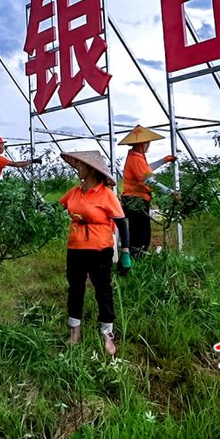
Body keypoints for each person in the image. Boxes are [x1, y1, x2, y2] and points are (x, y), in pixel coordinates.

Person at [59, 150, 130, 356]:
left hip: (100, 249)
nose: (78, 168)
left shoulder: (106, 195)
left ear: (91, 169)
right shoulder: (74, 192)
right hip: (75, 248)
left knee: (103, 290)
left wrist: (125, 252)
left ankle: (107, 333)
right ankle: (75, 330)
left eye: (81, 166)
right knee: (75, 289)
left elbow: (121, 223)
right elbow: (56, 209)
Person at [118, 125, 175, 256]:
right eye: (147, 142)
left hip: (136, 199)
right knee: (140, 233)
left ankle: (137, 257)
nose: (149, 145)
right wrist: (171, 192)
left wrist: (163, 161)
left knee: (141, 231)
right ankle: (136, 258)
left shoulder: (137, 157)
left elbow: (146, 169)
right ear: (142, 143)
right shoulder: (136, 158)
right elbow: (148, 180)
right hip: (135, 199)